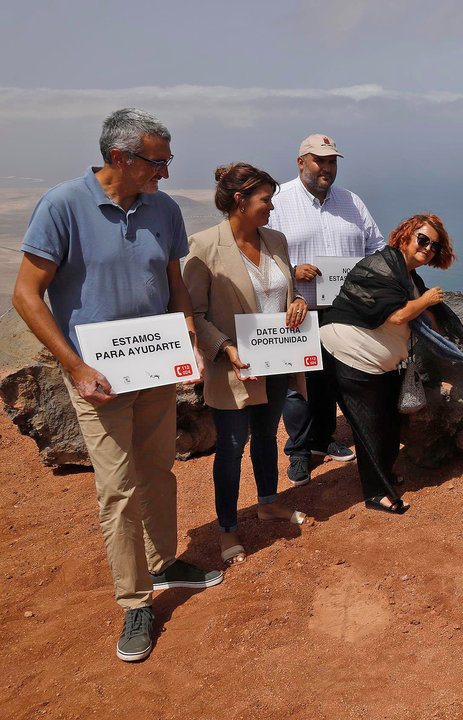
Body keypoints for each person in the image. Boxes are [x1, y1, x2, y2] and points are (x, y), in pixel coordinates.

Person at [11, 108, 222, 663]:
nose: (166, 173)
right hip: (98, 375)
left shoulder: (163, 209)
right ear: (119, 158)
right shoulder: (62, 204)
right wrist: (76, 367)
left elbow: (173, 283)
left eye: (168, 161)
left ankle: (165, 561)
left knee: (158, 470)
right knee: (119, 487)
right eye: (157, 162)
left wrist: (189, 341)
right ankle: (135, 602)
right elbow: (27, 295)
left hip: (155, 365)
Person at [183, 163, 313, 566]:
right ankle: (226, 529)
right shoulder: (203, 246)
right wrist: (224, 348)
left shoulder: (276, 239)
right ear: (239, 201)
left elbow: (287, 291)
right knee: (232, 447)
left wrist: (298, 301)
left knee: (266, 435)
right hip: (233, 368)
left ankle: (269, 503)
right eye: (265, 200)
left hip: (275, 360)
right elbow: (194, 312)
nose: (272, 207)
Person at [320, 214, 463, 513]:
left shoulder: (409, 277)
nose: (428, 248)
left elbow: (433, 321)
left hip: (381, 364)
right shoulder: (378, 266)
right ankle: (376, 493)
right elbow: (395, 315)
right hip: (350, 355)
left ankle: (384, 474)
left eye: (434, 245)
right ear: (404, 236)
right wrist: (427, 299)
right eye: (423, 239)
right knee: (369, 426)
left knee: (388, 424)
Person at [266, 134, 386, 485]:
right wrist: (291, 270)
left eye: (332, 161)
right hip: (298, 309)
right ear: (301, 162)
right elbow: (257, 254)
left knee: (334, 378)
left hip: (346, 310)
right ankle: (299, 451)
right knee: (298, 383)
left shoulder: (351, 201)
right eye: (319, 160)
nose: (327, 168)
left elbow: (376, 246)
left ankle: (323, 439)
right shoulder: (279, 201)